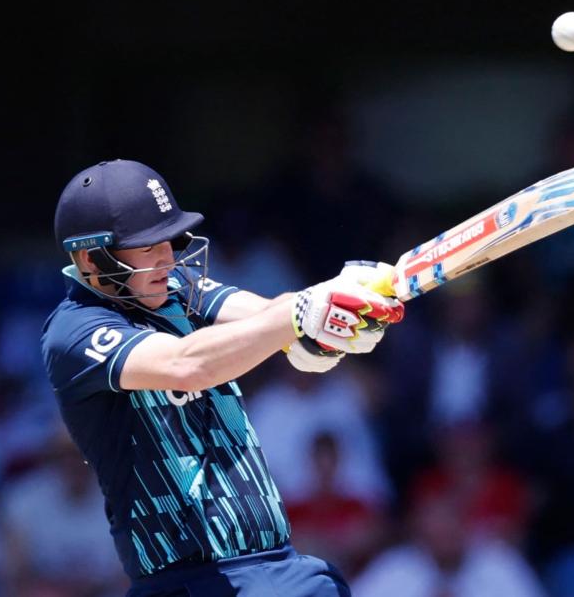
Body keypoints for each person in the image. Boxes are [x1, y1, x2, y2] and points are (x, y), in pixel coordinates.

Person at [40, 159, 405, 596]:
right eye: (146, 246)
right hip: (189, 581)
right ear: (90, 257)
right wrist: (299, 317)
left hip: (283, 568)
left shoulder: (179, 286)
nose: (166, 257)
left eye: (169, 240)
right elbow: (187, 364)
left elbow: (270, 312)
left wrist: (332, 305)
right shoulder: (75, 330)